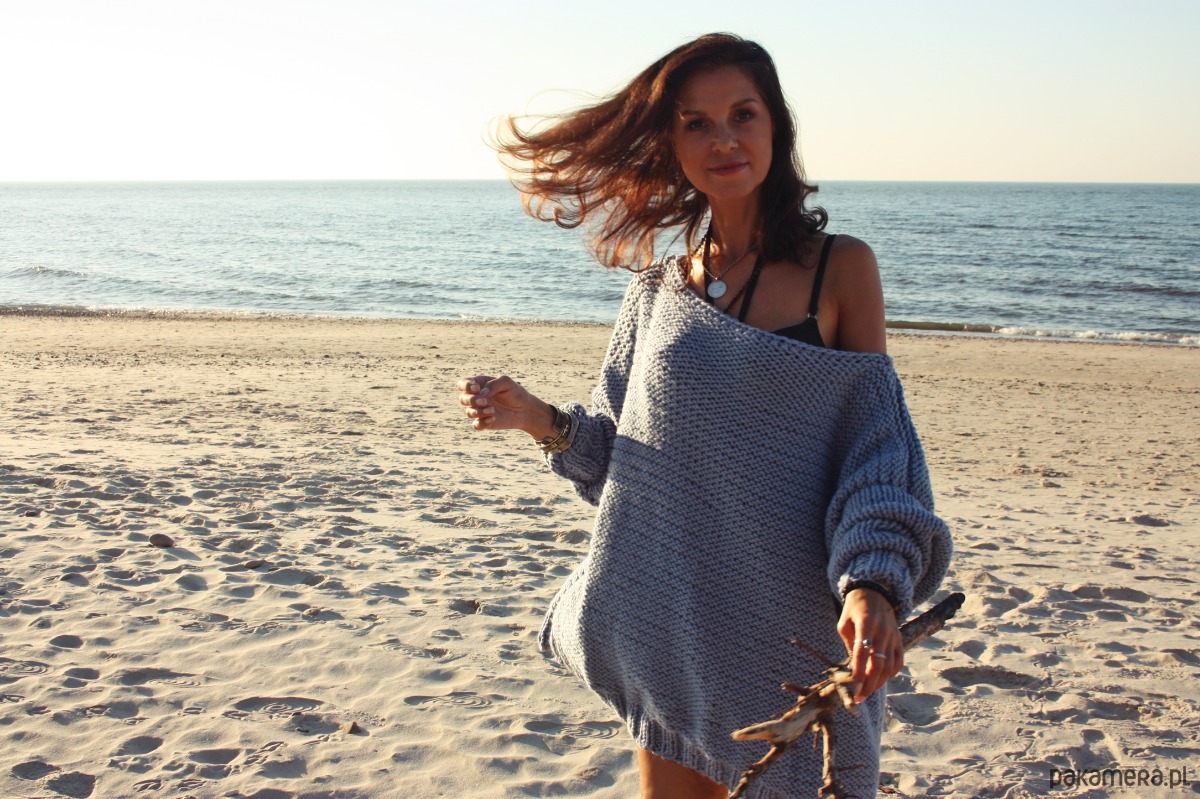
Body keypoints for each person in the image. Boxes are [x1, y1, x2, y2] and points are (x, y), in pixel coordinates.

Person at [457, 33, 951, 799]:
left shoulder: (840, 269)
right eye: (697, 123)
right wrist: (536, 417)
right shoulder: (656, 291)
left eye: (742, 115)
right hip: (668, 624)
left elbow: (877, 456)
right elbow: (624, 464)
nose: (724, 139)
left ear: (776, 126)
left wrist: (871, 586)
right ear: (672, 143)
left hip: (788, 635)